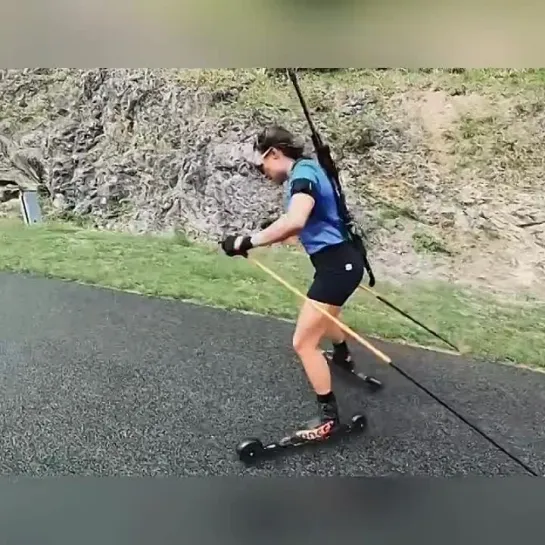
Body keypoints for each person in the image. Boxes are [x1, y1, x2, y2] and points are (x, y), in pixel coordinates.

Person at [220, 125, 366, 443]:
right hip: (340, 263)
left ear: (275, 153)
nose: (263, 173)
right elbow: (299, 224)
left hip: (338, 267)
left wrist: (247, 240)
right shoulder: (307, 172)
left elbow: (296, 220)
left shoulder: (303, 175)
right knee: (323, 314)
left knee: (303, 343)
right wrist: (267, 235)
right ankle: (342, 355)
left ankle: (328, 421)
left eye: (262, 166)